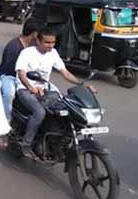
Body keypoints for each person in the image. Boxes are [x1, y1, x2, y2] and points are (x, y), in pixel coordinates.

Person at [14, 27, 90, 159]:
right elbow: (21, 73)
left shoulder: (53, 53)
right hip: (25, 89)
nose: (50, 46)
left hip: (45, 89)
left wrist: (82, 84)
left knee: (65, 109)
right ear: (38, 40)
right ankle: (26, 144)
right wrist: (30, 86)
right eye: (47, 42)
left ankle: (57, 139)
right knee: (39, 112)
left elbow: (65, 72)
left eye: (53, 42)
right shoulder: (27, 53)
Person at [0, 19, 41, 124]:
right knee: (9, 94)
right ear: (34, 34)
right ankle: (5, 124)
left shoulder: (33, 46)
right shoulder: (14, 46)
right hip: (9, 76)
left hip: (25, 76)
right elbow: (11, 70)